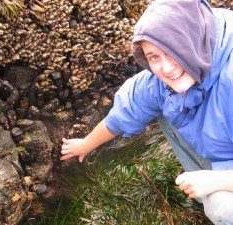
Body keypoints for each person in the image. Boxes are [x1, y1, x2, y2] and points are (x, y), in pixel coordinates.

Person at [61, 0, 233, 224]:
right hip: (221, 155)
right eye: (154, 57)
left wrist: (219, 182)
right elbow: (126, 112)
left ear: (195, 38)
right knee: (164, 106)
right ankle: (206, 190)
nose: (167, 68)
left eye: (174, 50)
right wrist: (85, 145)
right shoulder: (161, 82)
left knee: (223, 209)